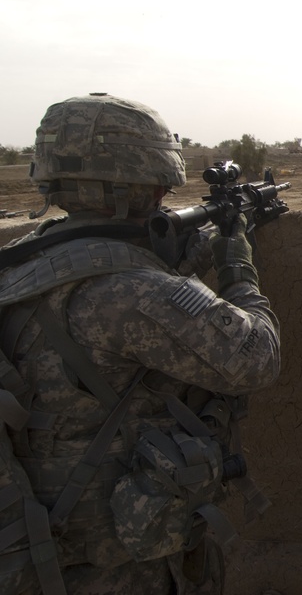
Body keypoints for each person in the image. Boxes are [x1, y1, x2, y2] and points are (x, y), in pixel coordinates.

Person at [0, 93, 281, 594]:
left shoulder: (24, 259)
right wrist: (238, 268)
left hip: (42, 533)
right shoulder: (135, 291)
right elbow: (256, 357)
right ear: (149, 180)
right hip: (119, 553)